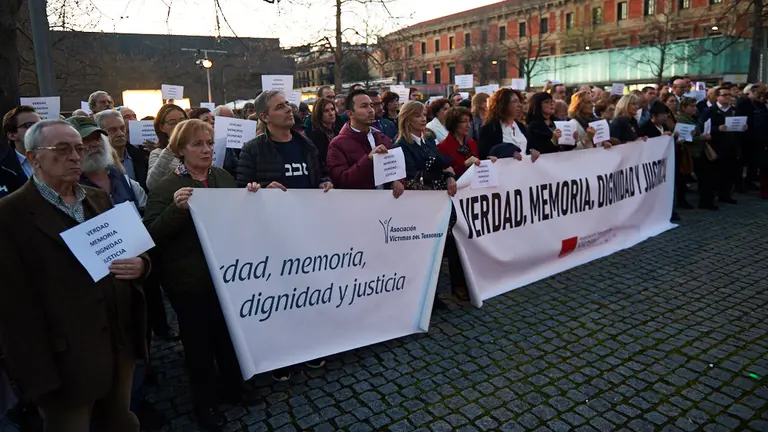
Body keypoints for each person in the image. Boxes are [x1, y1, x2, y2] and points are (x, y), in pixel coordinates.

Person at [0, 119, 149, 431]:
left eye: (79, 149)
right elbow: (12, 307)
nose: (75, 156)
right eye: (63, 149)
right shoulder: (10, 215)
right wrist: (38, 379)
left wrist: (141, 266)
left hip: (118, 346)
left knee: (121, 423)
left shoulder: (97, 198)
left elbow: (134, 251)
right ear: (33, 157)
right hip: (65, 360)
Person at [143, 119, 259, 428]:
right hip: (189, 279)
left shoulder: (222, 177)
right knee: (198, 345)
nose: (206, 150)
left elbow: (238, 217)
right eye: (197, 144)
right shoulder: (166, 185)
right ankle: (204, 403)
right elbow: (151, 233)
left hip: (225, 274)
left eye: (209, 143)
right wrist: (176, 210)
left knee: (228, 335)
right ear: (180, 150)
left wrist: (252, 196)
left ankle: (233, 386)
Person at [394, 101, 457, 308]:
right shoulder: (401, 146)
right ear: (407, 119)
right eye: (417, 116)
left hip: (438, 202)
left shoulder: (428, 139)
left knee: (438, 252)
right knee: (422, 254)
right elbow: (410, 178)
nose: (423, 119)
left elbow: (443, 163)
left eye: (424, 115)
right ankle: (422, 297)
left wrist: (448, 175)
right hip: (420, 206)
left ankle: (434, 294)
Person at [326, 89, 404, 197]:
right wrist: (368, 160)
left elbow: (395, 170)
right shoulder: (337, 144)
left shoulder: (382, 138)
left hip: (387, 206)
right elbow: (341, 181)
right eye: (364, 106)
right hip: (358, 207)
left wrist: (397, 181)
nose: (371, 110)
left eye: (371, 105)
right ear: (350, 114)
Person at [700, 86, 747, 206]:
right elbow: (702, 127)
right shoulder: (710, 111)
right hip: (716, 146)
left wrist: (743, 127)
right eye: (724, 95)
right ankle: (710, 198)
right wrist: (717, 129)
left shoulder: (734, 110)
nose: (727, 97)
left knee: (729, 172)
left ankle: (725, 195)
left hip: (731, 146)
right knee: (714, 174)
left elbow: (739, 124)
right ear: (717, 97)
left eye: (729, 95)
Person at [95, 110, 149, 192]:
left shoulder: (141, 157)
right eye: (112, 130)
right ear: (100, 132)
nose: (120, 134)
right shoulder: (95, 164)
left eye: (122, 128)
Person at [478, 88, 529, 160]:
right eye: (515, 101)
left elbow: (527, 150)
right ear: (504, 104)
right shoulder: (489, 129)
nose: (519, 105)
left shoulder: (521, 127)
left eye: (519, 101)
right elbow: (485, 155)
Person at [1, 106, 40, 198]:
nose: (38, 129)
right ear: (12, 135)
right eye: (29, 125)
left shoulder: (57, 160)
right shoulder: (4, 168)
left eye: (40, 124)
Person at [146, 104, 188, 190]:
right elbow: (152, 184)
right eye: (172, 123)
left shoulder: (198, 147)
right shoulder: (157, 153)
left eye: (182, 121)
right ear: (162, 127)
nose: (179, 126)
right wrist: (170, 149)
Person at [307, 97, 338, 175]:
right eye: (326, 111)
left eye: (332, 109)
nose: (331, 113)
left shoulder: (338, 132)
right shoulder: (314, 136)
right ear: (319, 114)